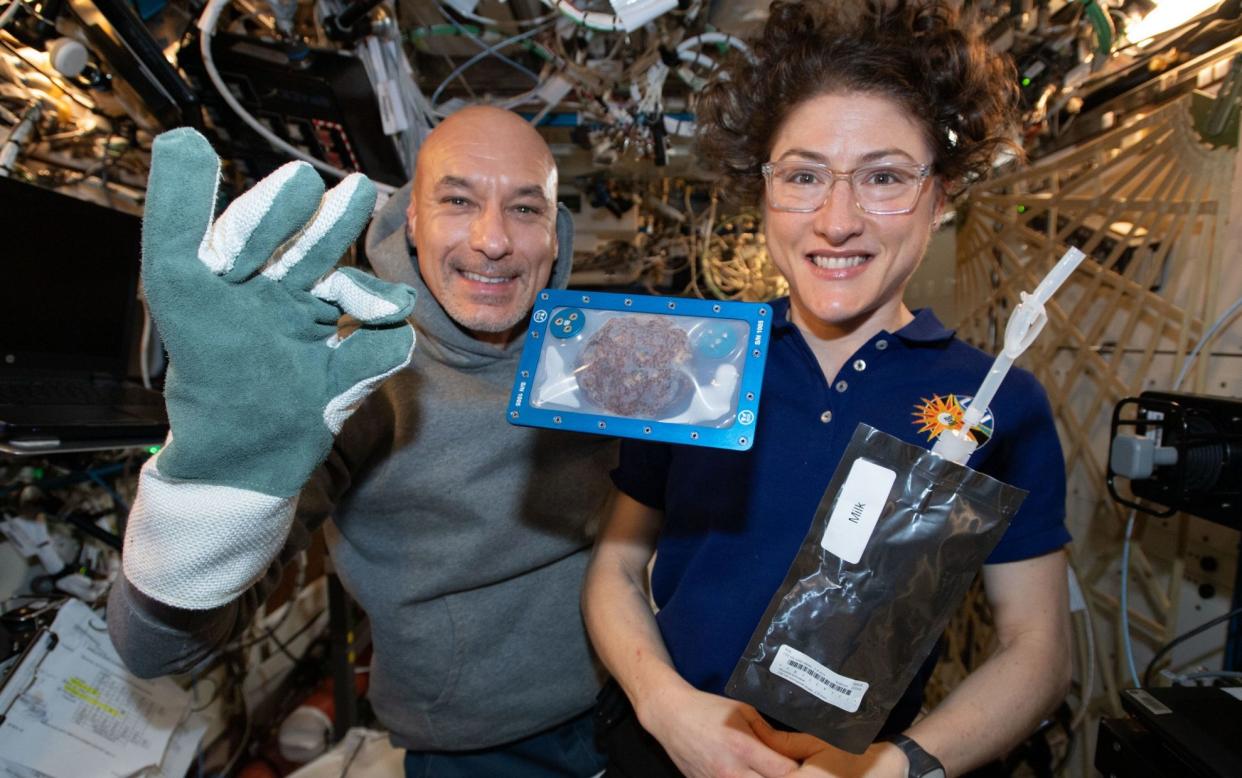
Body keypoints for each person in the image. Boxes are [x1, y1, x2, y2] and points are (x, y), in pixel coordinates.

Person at [582, 2, 1073, 777]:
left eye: (882, 177)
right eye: (805, 176)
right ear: (764, 189)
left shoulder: (996, 403)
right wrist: (665, 708)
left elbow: (1037, 647)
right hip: (658, 750)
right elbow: (615, 565)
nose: (836, 221)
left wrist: (904, 765)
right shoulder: (690, 360)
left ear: (940, 197)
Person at [108, 106, 616, 777]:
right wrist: (208, 493)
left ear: (555, 233)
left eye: (525, 209)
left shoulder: (597, 346)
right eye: (459, 200)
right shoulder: (353, 376)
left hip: (628, 692)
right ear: (411, 217)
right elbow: (155, 652)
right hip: (481, 745)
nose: (493, 239)